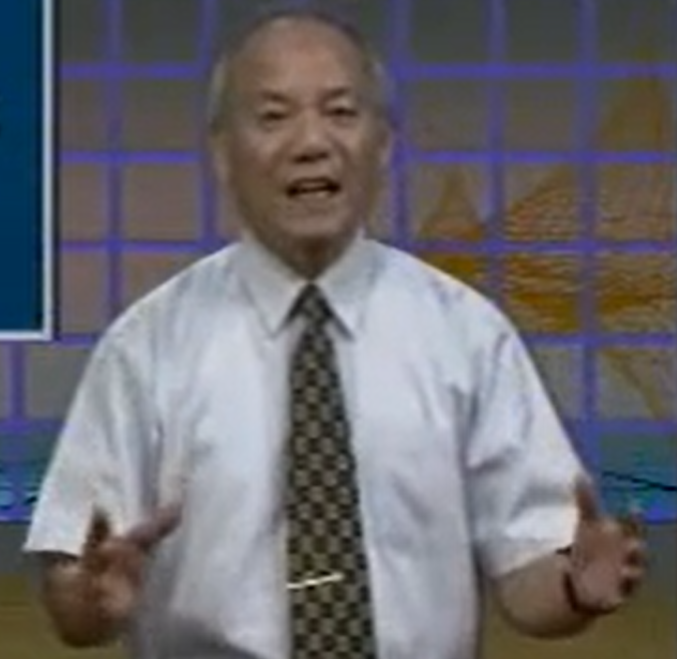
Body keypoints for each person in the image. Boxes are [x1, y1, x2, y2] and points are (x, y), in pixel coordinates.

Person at [25, 7, 646, 659]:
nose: (311, 142)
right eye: (273, 116)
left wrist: (574, 586)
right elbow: (76, 580)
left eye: (341, 112)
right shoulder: (146, 345)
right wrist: (86, 600)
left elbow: (528, 574)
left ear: (384, 144)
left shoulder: (466, 335)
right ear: (222, 153)